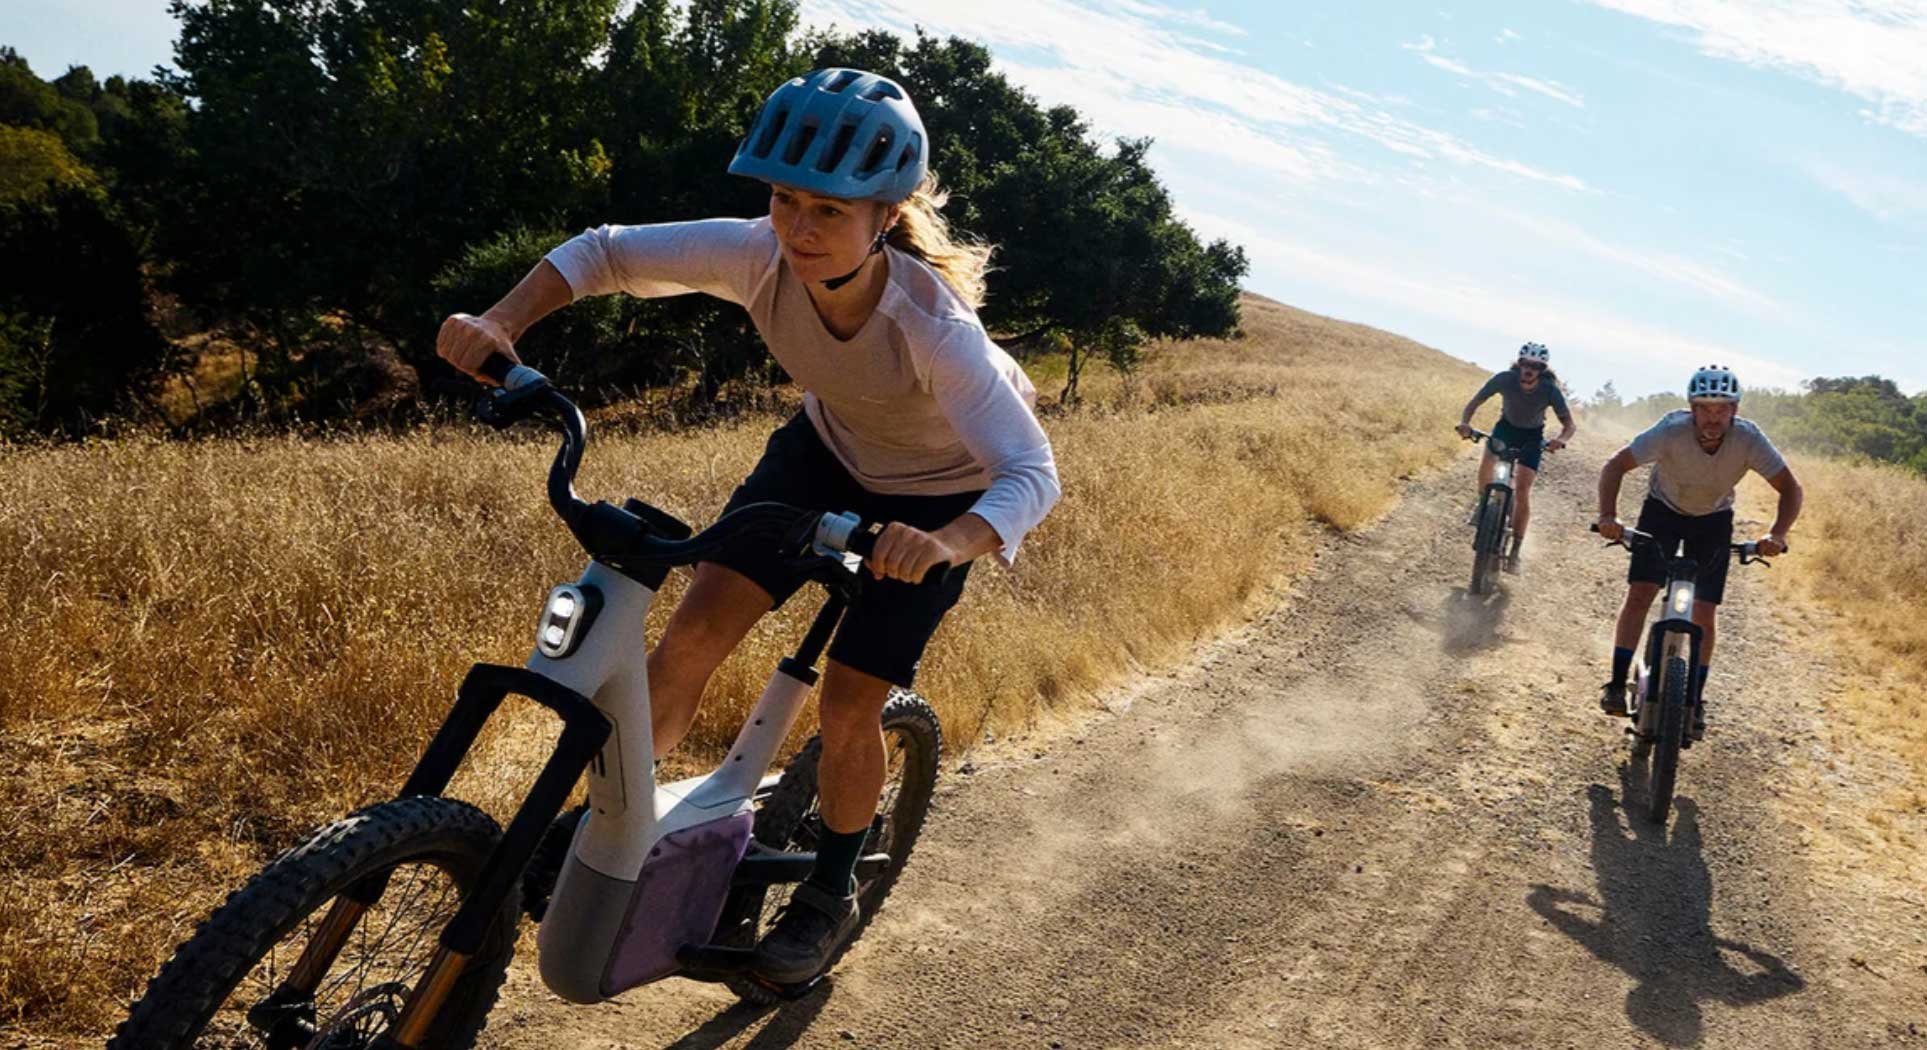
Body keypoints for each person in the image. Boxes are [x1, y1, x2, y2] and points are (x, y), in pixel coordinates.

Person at [435, 67, 1061, 983]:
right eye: (783, 200)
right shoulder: (755, 252)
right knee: (691, 635)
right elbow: (603, 253)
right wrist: (499, 320)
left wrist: (943, 543)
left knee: (850, 699)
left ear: (884, 217)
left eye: (828, 212)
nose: (798, 230)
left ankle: (829, 891)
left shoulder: (930, 325)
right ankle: (617, 826)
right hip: (821, 456)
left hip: (938, 502)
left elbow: (1031, 472)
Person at [1594, 365, 1802, 736]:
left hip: (1713, 520)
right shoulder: (1670, 431)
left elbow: (1790, 488)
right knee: (1642, 592)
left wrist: (1778, 534)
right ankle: (1615, 682)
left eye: (1722, 409)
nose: (1713, 417)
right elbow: (1615, 466)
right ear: (1691, 408)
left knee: (1704, 613)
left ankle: (1694, 700)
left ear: (1735, 410)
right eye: (1705, 408)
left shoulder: (1749, 439)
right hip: (1662, 512)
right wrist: (1608, 516)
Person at [1455, 341, 1577, 572]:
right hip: (1505, 429)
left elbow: (1569, 425)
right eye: (1525, 364)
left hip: (1532, 437)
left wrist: (1560, 440)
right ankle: (1483, 506)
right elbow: (1475, 402)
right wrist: (1465, 423)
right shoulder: (1504, 379)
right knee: (1487, 465)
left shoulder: (1549, 390)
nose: (1529, 369)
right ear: (1518, 364)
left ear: (1542, 370)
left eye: (1536, 366)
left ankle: (1515, 551)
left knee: (1522, 489)